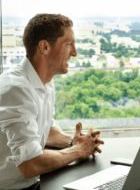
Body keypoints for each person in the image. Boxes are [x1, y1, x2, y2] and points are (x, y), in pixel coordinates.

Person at [0, 13, 104, 189]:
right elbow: (31, 164)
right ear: (45, 47)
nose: (74, 52)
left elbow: (43, 128)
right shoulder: (16, 89)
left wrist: (73, 141)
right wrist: (79, 150)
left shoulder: (45, 82)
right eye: (68, 44)